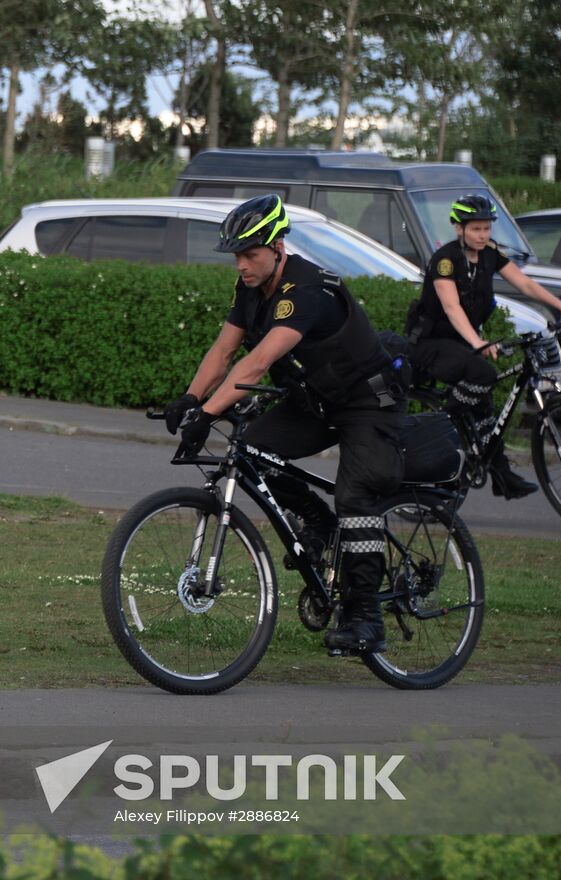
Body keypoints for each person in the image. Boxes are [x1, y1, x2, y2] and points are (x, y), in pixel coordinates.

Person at [164, 194, 405, 655]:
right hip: (314, 402)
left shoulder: (306, 288)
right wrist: (191, 397)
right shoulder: (251, 289)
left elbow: (257, 362)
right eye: (236, 255)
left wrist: (209, 414)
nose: (241, 264)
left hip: (366, 403)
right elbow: (224, 352)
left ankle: (366, 619)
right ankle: (317, 522)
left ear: (278, 246)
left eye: (251, 253)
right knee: (252, 451)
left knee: (356, 496)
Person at [405, 193, 561, 499]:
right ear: (458, 228)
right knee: (483, 375)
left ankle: (502, 476)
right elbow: (451, 307)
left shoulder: (490, 254)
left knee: (486, 407)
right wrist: (478, 342)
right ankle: (443, 423)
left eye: (487, 229)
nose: (483, 235)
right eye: (476, 229)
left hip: (463, 343)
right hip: (431, 343)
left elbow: (525, 284)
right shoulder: (445, 261)